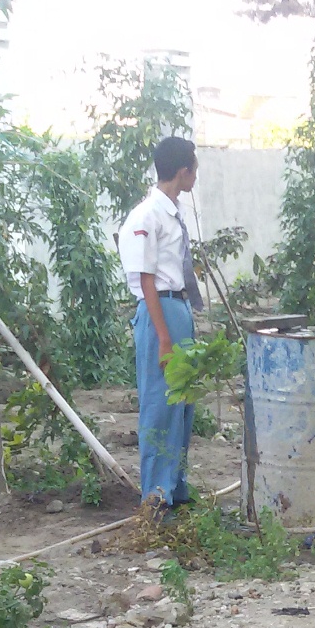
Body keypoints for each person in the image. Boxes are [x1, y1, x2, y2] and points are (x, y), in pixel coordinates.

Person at [119, 135, 206, 517]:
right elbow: (146, 280)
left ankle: (176, 488)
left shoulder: (171, 212)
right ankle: (154, 498)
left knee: (182, 403)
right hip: (159, 313)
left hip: (177, 308)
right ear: (183, 171)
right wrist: (165, 338)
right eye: (194, 169)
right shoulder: (146, 216)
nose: (196, 176)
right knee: (159, 404)